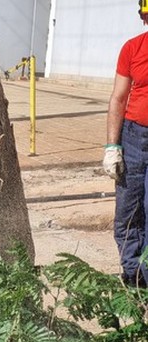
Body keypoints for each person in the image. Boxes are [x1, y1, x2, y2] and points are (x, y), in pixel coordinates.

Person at [103, 2, 148, 288]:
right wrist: (112, 147)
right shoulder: (132, 48)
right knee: (128, 213)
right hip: (133, 137)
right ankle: (134, 278)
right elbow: (118, 98)